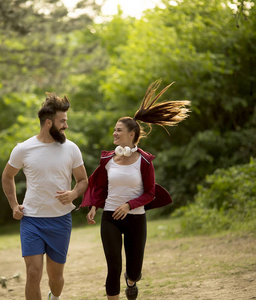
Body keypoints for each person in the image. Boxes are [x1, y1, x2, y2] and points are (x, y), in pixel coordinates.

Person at [80, 80, 190, 300]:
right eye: (114, 130)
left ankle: (131, 282)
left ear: (131, 134)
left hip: (135, 220)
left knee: (133, 271)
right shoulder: (108, 160)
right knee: (113, 267)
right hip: (110, 217)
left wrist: (129, 205)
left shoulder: (145, 162)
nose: (114, 133)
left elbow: (150, 193)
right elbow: (100, 186)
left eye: (118, 130)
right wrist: (94, 206)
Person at [2, 92, 88, 300]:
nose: (66, 126)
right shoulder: (23, 149)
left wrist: (74, 193)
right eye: (62, 121)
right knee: (33, 273)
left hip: (60, 220)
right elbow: (7, 176)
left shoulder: (71, 149)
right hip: (32, 220)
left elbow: (83, 180)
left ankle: (54, 297)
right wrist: (14, 205)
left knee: (56, 278)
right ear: (48, 123)